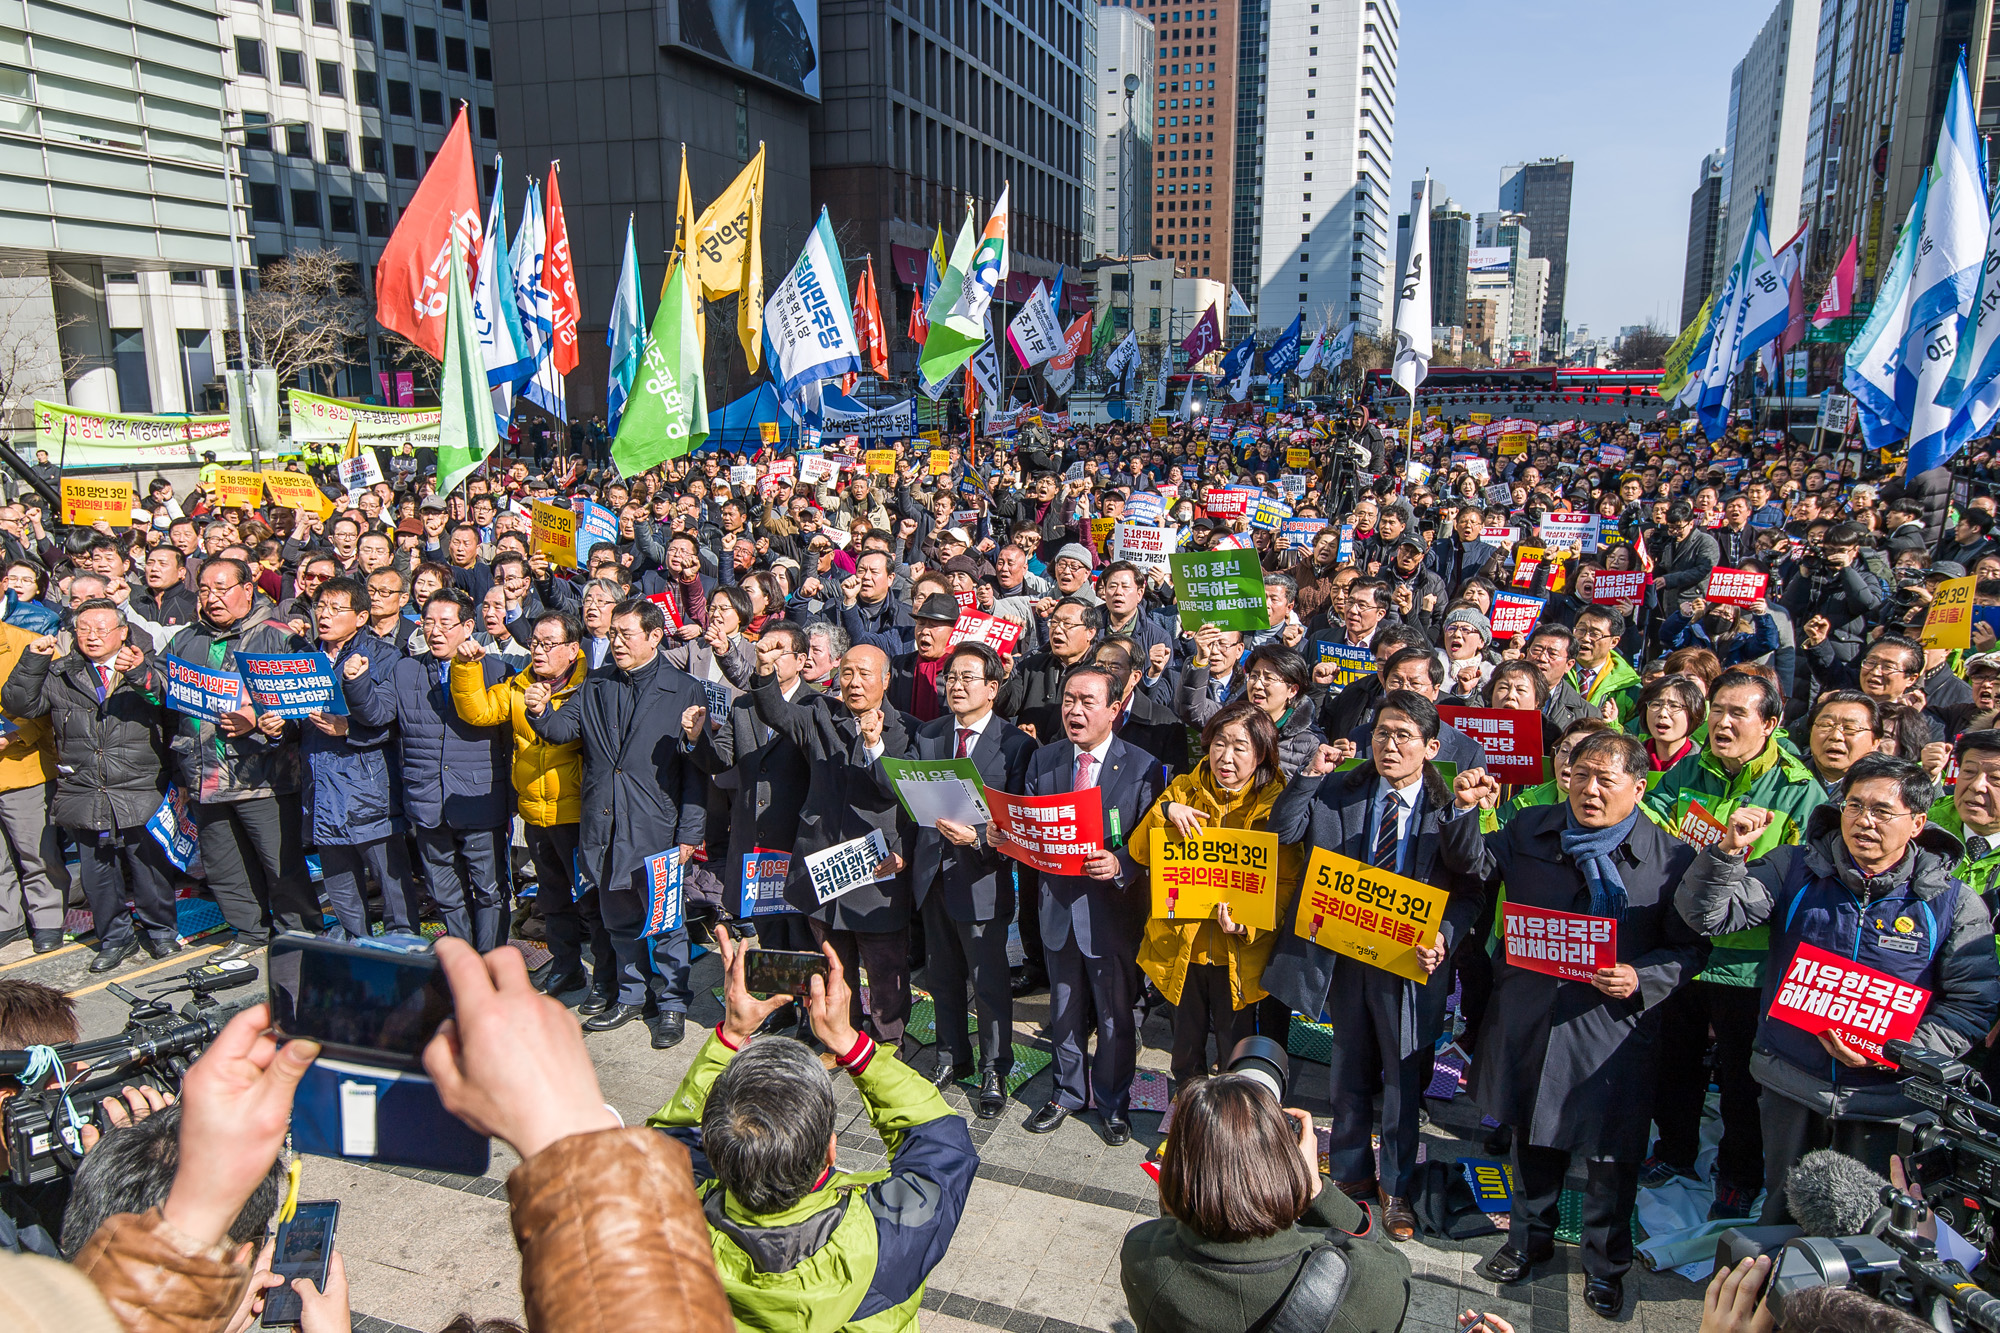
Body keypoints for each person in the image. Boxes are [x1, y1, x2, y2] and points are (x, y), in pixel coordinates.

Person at [1676, 753, 2000, 1225]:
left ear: (1918, 823)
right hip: (1791, 1080)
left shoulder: (1952, 902)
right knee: (1783, 1213)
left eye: (1883, 811)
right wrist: (1726, 856)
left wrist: (1892, 1050)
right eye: (1854, 805)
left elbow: (1972, 1005)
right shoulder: (1793, 867)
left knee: (1865, 1227)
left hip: (1887, 1103)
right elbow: (1707, 915)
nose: (1865, 821)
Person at [1444, 733, 1705, 1315]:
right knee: (1533, 1140)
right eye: (1580, 775)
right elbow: (1471, 867)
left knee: (1613, 1159)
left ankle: (1607, 1266)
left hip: (1613, 1028)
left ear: (1638, 789)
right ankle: (1527, 1242)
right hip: (1533, 1014)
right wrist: (1465, 811)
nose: (1589, 789)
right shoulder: (1529, 827)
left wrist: (1642, 977)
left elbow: (1690, 951)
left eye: (1605, 780)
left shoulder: (1670, 859)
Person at [647, 928, 976, 1332]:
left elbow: (669, 1139)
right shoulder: (887, 1240)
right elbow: (942, 1138)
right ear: (829, 1152)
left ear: (715, 1150)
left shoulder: (667, 1226)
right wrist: (850, 1043)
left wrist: (730, 1034)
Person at [1263, 691, 1481, 1241]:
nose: (1390, 745)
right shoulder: (1340, 791)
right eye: (1382, 732)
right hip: (1344, 962)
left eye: (1404, 735)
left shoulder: (1447, 805)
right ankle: (1353, 1177)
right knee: (1348, 1075)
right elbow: (1283, 833)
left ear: (1431, 747)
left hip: (1411, 966)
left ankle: (1399, 1187)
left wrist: (1443, 938)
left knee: (1406, 1081)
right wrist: (1309, 776)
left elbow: (1473, 884)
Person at [1642, 669, 1825, 1219]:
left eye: (1738, 713)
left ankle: (1738, 1175)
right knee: (1674, 1060)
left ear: (1771, 724)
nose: (1723, 722)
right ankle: (1673, 1150)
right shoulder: (1685, 770)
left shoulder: (1797, 788)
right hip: (1682, 949)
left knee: (1745, 1080)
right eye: (1717, 710)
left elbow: (1799, 875)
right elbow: (1652, 826)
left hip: (1749, 961)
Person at [524, 596, 707, 1048]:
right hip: (604, 826)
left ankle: (671, 1004)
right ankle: (631, 994)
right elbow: (563, 730)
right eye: (613, 634)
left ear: (655, 636)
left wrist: (689, 834)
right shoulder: (598, 682)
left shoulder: (684, 689)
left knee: (665, 923)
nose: (617, 642)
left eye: (627, 634)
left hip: (656, 826)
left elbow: (696, 775)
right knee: (618, 919)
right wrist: (539, 712)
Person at [1120, 1073, 1411, 1333]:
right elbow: (1392, 1263)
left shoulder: (1142, 1256)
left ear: (1178, 1166)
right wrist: (1315, 1189)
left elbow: (1173, 1226)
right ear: (1285, 1164)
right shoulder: (1364, 1288)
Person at [1012, 663, 1161, 1143]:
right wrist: (1008, 833)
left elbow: (1151, 841)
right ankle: (1066, 1092)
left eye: (1087, 702)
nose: (1075, 711)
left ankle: (1113, 1100)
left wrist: (1121, 866)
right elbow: (1031, 823)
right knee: (1064, 1007)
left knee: (1116, 1015)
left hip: (1111, 914)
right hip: (1057, 907)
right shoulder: (1046, 760)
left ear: (1115, 709)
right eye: (1068, 700)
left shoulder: (1142, 766)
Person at [1130, 703, 1303, 1103]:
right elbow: (1140, 852)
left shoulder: (1278, 803)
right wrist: (1165, 811)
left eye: (1240, 747)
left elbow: (1288, 883)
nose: (1226, 757)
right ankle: (1188, 1117)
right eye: (1219, 744)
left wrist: (1250, 924)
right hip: (1182, 949)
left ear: (1261, 753)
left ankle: (1228, 1132)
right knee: (1185, 1053)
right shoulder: (1183, 789)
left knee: (1234, 1056)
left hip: (1239, 957)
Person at [2, 604, 175, 965]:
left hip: (138, 784)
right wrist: (32, 662)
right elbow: (20, 704)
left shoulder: (144, 664)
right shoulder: (61, 672)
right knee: (98, 874)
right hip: (84, 786)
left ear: (122, 631)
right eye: (83, 629)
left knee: (147, 868)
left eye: (101, 628)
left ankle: (161, 931)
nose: (92, 636)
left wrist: (139, 672)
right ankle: (115, 937)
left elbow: (166, 698)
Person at [453, 608, 610, 1003]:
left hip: (578, 814)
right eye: (535, 643)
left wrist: (548, 711)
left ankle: (607, 981)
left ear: (573, 649)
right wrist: (466, 667)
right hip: (535, 813)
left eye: (549, 644)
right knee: (552, 899)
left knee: (593, 903)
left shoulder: (589, 688)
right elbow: (477, 711)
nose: (538, 651)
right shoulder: (518, 686)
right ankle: (566, 969)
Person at [164, 557, 317, 962]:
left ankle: (299, 933)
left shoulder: (278, 637)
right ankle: (249, 930)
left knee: (279, 862)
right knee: (225, 864)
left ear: (248, 589)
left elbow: (310, 700)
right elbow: (160, 690)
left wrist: (258, 716)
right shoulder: (185, 640)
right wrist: (136, 673)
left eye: (222, 588)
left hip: (262, 775)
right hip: (204, 774)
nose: (212, 598)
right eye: (205, 591)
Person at [343, 589, 514, 950]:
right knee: (445, 892)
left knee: (490, 891)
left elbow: (508, 739)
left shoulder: (497, 670)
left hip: (479, 799)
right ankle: (462, 962)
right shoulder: (406, 669)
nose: (435, 632)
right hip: (426, 800)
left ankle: (491, 963)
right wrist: (356, 683)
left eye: (446, 624)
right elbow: (376, 714)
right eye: (428, 623)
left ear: (468, 627)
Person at [907, 643, 1035, 1118]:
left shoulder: (1016, 744)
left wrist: (979, 835)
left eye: (966, 678)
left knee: (989, 982)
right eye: (950, 678)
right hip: (933, 874)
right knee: (941, 976)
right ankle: (950, 1056)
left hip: (982, 875)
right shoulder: (931, 734)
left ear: (993, 688)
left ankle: (994, 1067)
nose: (955, 687)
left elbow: (1020, 818)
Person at [297, 576, 419, 941]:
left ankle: (403, 941)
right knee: (339, 879)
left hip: (367, 785)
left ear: (361, 616)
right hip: (319, 783)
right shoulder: (303, 658)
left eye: (337, 609)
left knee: (389, 876)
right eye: (320, 607)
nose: (326, 615)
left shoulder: (383, 655)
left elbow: (389, 719)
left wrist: (347, 729)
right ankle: (355, 941)